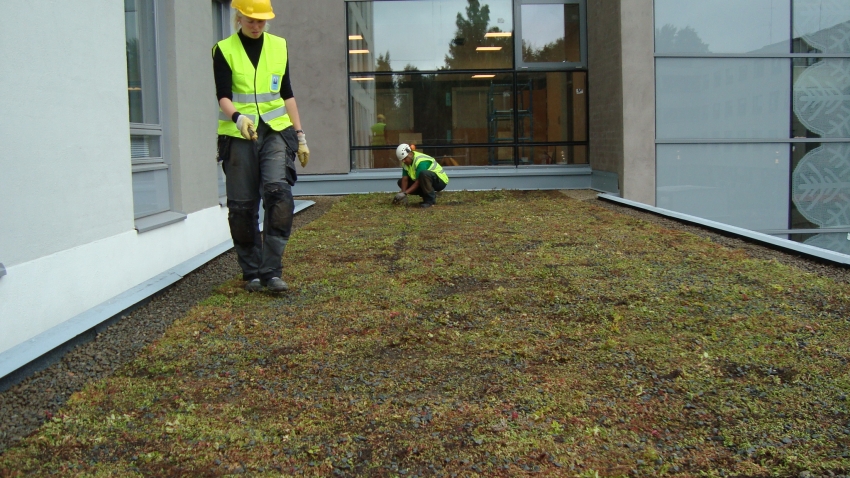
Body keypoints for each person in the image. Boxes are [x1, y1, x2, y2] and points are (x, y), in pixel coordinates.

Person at [212, 0, 309, 292]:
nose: (256, 26)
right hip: (238, 134)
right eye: (251, 20)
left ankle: (272, 270)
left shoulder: (279, 46)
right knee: (242, 207)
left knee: (279, 196)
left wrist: (301, 135)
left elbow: (287, 93)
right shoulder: (224, 50)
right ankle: (251, 272)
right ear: (238, 17)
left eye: (261, 21)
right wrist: (238, 117)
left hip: (276, 131)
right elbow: (223, 95)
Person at [392, 144, 449, 208]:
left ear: (410, 154)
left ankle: (430, 201)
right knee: (400, 182)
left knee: (423, 174)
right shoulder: (406, 163)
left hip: (440, 181)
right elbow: (405, 179)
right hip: (426, 181)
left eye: (404, 159)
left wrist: (405, 193)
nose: (403, 161)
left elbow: (418, 182)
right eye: (402, 160)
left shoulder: (421, 161)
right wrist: (403, 193)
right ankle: (427, 196)